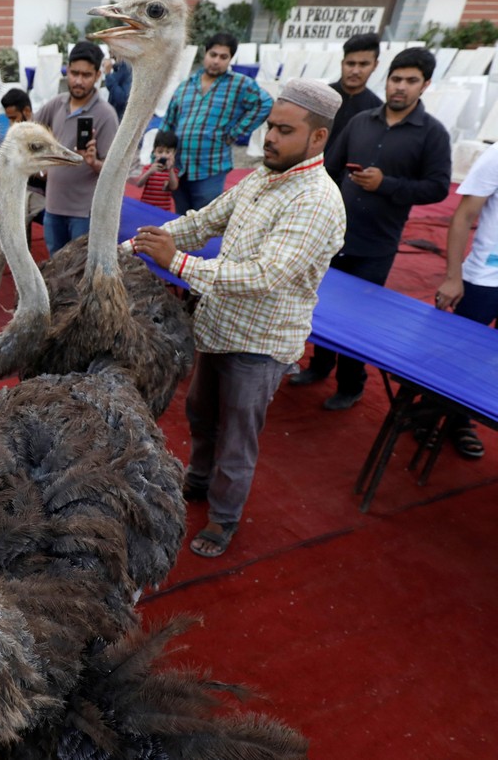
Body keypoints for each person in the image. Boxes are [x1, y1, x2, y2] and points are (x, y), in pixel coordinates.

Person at [130, 79, 346, 558]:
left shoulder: (316, 200)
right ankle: (199, 482)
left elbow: (266, 275)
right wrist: (136, 246)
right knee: (202, 416)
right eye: (270, 126)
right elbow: (201, 222)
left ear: (318, 138)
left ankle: (224, 519)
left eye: (284, 130)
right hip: (220, 328)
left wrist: (177, 264)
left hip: (261, 344)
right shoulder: (261, 178)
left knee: (236, 439)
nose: (269, 137)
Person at [290, 47, 452, 410]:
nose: (401, 87)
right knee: (320, 305)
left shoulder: (432, 134)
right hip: (334, 237)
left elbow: (438, 187)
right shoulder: (361, 121)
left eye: (411, 81)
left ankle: (351, 384)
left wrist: (387, 185)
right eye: (397, 79)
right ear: (387, 79)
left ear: (424, 85)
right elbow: (328, 169)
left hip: (376, 243)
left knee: (356, 321)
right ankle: (318, 366)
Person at [429, 142, 498, 458]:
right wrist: (453, 276)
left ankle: (461, 420)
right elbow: (464, 215)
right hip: (484, 279)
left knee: (487, 363)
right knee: (454, 355)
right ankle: (426, 417)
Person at [162, 32, 272, 214]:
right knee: (179, 222)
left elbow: (265, 103)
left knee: (204, 222)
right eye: (213, 55)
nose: (216, 61)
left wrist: (235, 133)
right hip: (179, 167)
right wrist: (160, 156)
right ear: (205, 54)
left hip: (211, 167)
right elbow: (169, 122)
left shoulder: (239, 84)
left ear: (230, 59)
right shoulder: (186, 85)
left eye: (223, 57)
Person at [34, 41, 118, 255]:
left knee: (79, 271)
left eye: (86, 75)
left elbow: (114, 172)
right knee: (56, 266)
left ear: (97, 76)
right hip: (53, 205)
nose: (78, 81)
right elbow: (28, 131)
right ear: (67, 71)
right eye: (74, 73)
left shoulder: (106, 115)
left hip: (84, 213)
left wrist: (93, 162)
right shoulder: (57, 104)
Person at [0, 88, 46, 311]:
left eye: (14, 118)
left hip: (41, 196)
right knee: (3, 241)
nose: (11, 123)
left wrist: (28, 168)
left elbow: (48, 173)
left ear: (27, 111)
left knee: (3, 242)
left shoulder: (43, 132)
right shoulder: (19, 134)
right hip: (22, 193)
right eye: (8, 119)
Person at [328, 33, 382, 146]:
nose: (355, 71)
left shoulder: (378, 110)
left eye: (363, 64)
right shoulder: (321, 97)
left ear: (375, 65)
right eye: (350, 63)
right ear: (342, 63)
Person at [132, 130, 180, 212]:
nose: (163, 155)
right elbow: (139, 184)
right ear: (154, 152)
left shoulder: (173, 171)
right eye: (160, 152)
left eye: (168, 152)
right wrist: (149, 172)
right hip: (145, 207)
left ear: (174, 153)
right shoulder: (149, 168)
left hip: (163, 210)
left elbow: (174, 187)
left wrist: (170, 170)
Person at [103, 55, 132, 121]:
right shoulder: (117, 68)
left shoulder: (128, 69)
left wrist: (108, 74)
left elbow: (122, 99)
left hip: (120, 119)